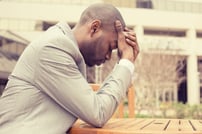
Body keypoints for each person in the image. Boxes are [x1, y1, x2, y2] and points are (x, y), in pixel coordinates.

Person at [0, 3, 139, 134]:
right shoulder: (53, 49)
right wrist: (126, 62)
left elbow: (94, 106)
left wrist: (124, 64)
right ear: (95, 27)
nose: (109, 56)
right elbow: (99, 112)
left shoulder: (66, 51)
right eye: (110, 47)